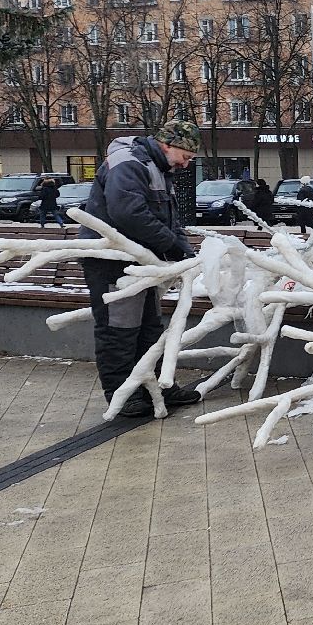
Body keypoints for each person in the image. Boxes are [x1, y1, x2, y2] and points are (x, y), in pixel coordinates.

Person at [80, 121, 204, 418]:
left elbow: (170, 223)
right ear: (167, 145)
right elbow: (129, 213)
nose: (186, 164)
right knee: (119, 330)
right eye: (185, 156)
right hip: (112, 263)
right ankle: (122, 395)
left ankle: (157, 386)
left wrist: (187, 255)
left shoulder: (159, 169)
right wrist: (172, 245)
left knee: (149, 329)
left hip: (141, 263)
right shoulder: (129, 164)